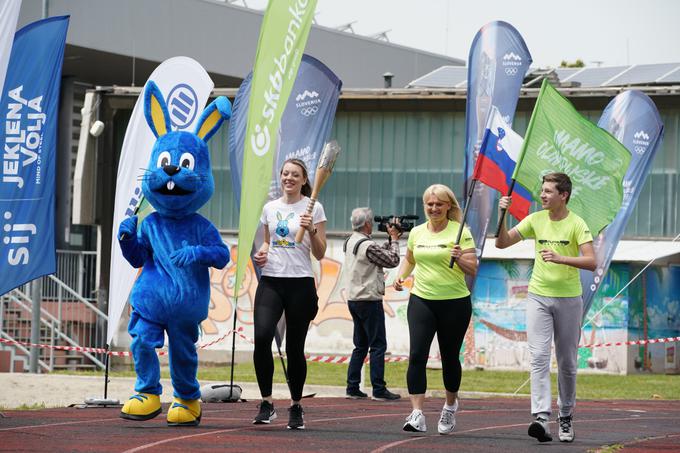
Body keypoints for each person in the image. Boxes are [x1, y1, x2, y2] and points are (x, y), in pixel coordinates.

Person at [495, 172, 595, 443]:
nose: (542, 195)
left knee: (567, 363)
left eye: (549, 191)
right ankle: (540, 417)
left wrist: (561, 258)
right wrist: (502, 215)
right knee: (538, 357)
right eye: (542, 190)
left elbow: (591, 261)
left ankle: (565, 416)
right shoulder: (535, 220)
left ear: (564, 195)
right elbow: (501, 243)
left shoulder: (577, 224)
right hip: (538, 296)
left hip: (569, 299)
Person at [394, 184, 477, 434]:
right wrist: (400, 276)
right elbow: (410, 258)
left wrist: (459, 256)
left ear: (448, 206)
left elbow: (472, 268)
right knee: (417, 355)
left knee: (449, 358)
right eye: (429, 204)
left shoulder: (461, 232)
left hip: (454, 303)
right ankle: (417, 413)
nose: (434, 208)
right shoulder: (417, 232)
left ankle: (450, 406)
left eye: (439, 204)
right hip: (422, 300)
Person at [251, 158, 327, 430]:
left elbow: (320, 253)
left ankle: (296, 406)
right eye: (285, 174)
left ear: (304, 179)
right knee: (261, 338)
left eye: (295, 175)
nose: (289, 178)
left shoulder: (313, 207)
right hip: (271, 281)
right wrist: (262, 253)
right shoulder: (270, 208)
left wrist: (312, 229)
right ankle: (267, 403)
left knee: (295, 348)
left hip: (300, 283)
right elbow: (268, 244)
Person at [343, 208, 402, 402]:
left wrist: (389, 240)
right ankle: (379, 389)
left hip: (354, 299)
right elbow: (392, 260)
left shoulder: (351, 240)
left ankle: (352, 387)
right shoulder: (367, 245)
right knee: (377, 345)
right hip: (369, 299)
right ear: (368, 224)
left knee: (360, 345)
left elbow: (376, 255)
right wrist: (394, 239)